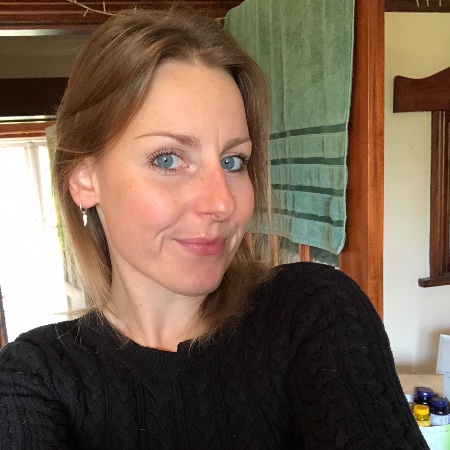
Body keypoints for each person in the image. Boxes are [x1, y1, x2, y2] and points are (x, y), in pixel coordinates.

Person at [0, 9, 429, 450]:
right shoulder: (34, 377)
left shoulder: (313, 311)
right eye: (167, 159)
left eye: (233, 161)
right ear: (84, 178)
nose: (223, 203)